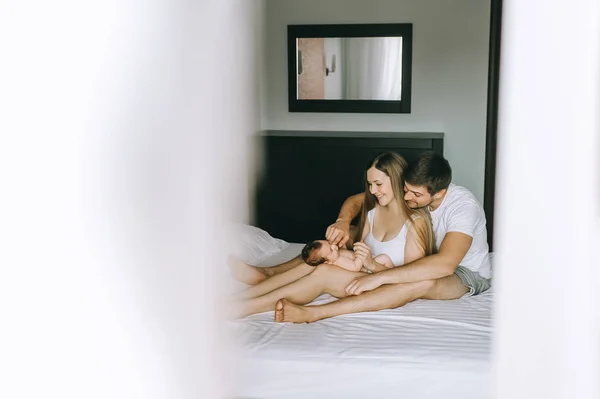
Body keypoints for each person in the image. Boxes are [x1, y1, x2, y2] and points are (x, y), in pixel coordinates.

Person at [273, 151, 492, 323]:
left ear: (439, 194)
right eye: (405, 189)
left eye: (415, 195)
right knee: (337, 240)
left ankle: (315, 313)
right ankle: (274, 273)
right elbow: (358, 201)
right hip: (430, 257)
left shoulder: (462, 207)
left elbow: (445, 265)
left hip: (466, 272)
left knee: (423, 281)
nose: (406, 197)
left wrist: (379, 276)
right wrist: (342, 222)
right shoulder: (412, 191)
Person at [232, 152, 435, 317]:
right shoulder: (373, 212)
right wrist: (341, 255)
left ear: (397, 179)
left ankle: (247, 307)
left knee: (324, 272)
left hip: (384, 287)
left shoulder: (414, 223)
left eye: (378, 184)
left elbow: (410, 281)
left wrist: (372, 265)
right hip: (363, 276)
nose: (373, 190)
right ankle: (244, 296)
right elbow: (359, 255)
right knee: (323, 256)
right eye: (370, 184)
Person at [301, 239, 394, 271]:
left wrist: (344, 245)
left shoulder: (335, 255)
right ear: (328, 262)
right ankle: (392, 276)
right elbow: (355, 267)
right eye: (331, 249)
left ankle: (390, 274)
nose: (334, 246)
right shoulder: (338, 261)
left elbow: (346, 253)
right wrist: (361, 255)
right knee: (384, 258)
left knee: (383, 258)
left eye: (329, 243)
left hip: (366, 263)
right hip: (365, 270)